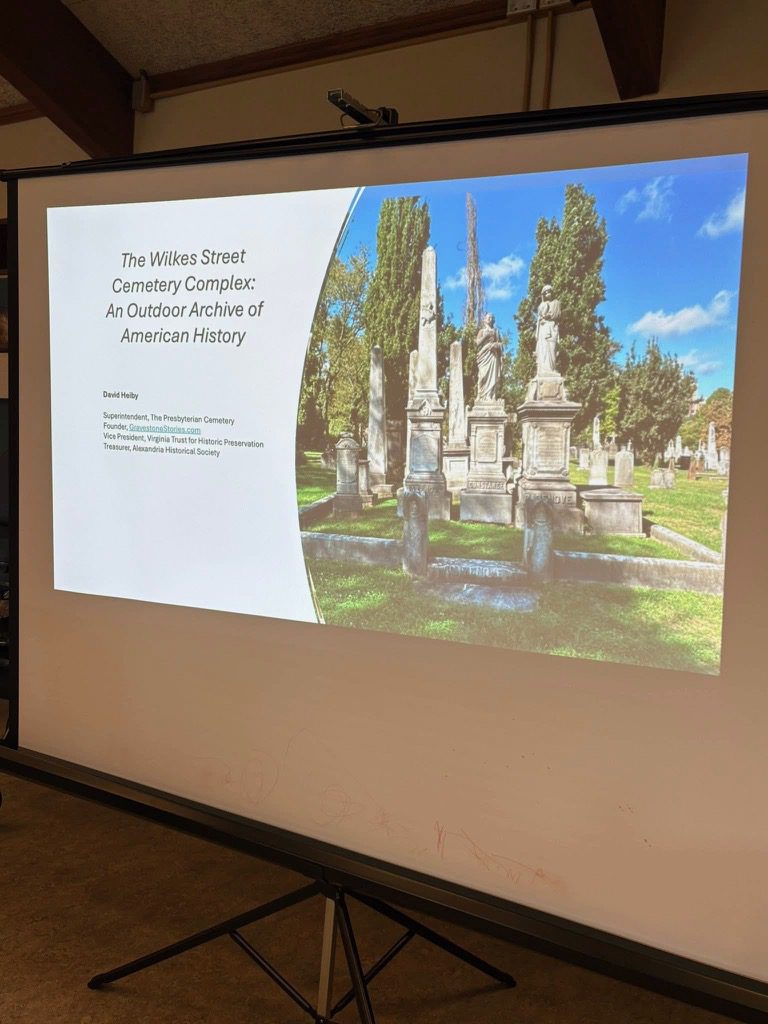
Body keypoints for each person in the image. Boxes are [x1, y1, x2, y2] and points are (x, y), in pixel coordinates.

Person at [475, 313, 502, 401]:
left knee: (492, 376)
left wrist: (495, 345)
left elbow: (501, 344)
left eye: (492, 317)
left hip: (493, 355)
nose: (490, 319)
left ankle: (491, 396)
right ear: (485, 320)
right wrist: (485, 336)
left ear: (493, 320)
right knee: (482, 376)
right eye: (488, 317)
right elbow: (477, 343)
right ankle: (480, 396)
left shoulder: (496, 331)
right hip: (484, 355)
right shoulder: (481, 331)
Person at [535, 284, 560, 376]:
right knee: (543, 349)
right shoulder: (542, 304)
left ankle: (552, 369)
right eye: (545, 292)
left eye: (549, 291)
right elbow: (539, 316)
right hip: (543, 328)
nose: (547, 294)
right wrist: (541, 319)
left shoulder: (556, 303)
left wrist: (547, 316)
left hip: (552, 327)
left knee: (552, 349)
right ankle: (543, 369)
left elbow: (556, 314)